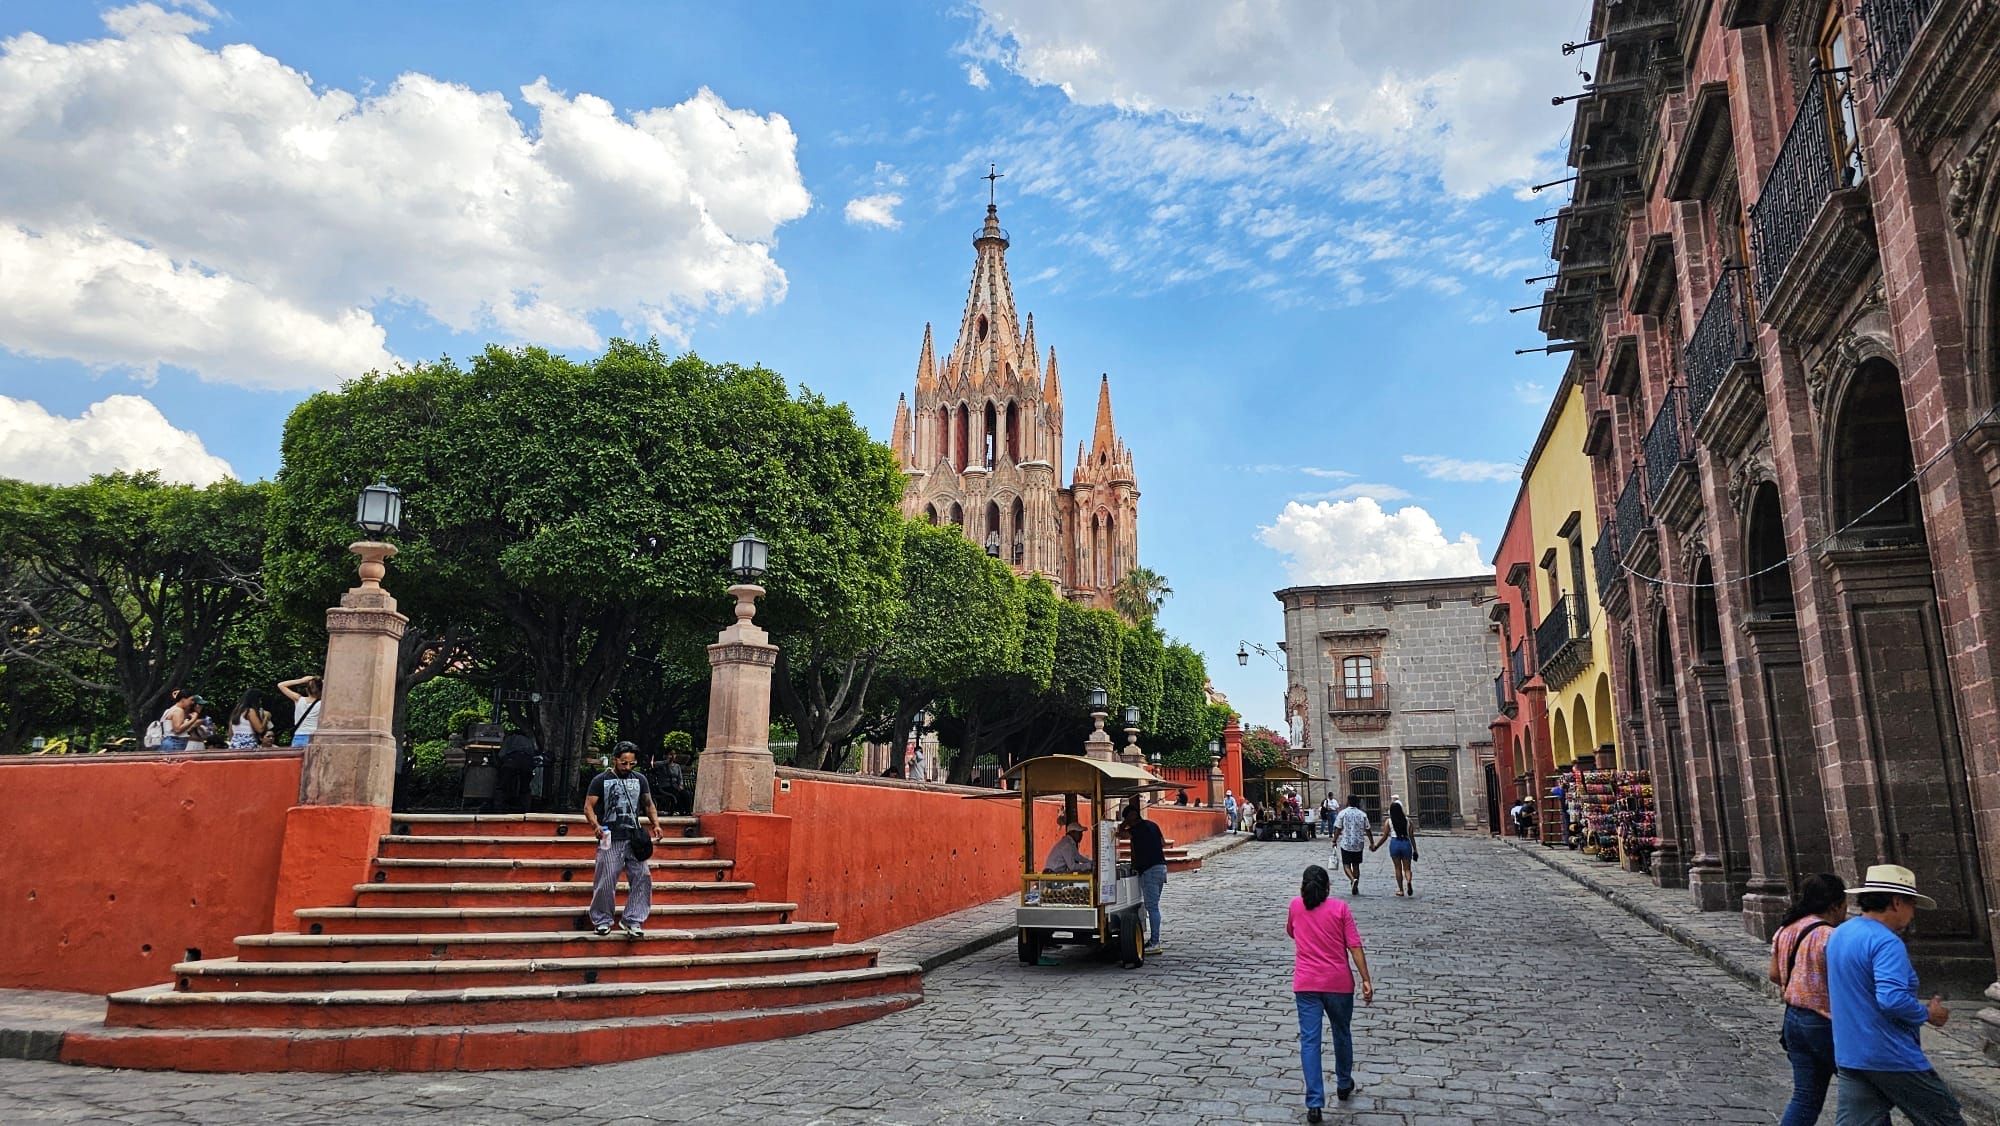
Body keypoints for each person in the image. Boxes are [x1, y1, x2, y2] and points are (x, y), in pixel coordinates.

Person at [1827, 864, 1963, 1126]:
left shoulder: (1842, 933)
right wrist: (1927, 1013)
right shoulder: (1886, 942)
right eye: (1912, 905)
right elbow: (1891, 999)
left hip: (1851, 1051)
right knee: (1945, 1119)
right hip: (1890, 1054)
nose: (1913, 915)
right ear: (1897, 902)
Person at [1288, 863, 1373, 1120]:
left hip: (1306, 984)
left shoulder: (1295, 906)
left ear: (1303, 887)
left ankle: (1314, 1102)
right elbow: (1354, 946)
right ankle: (1344, 1082)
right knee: (1341, 1032)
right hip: (1338, 983)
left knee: (1310, 1041)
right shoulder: (1340, 909)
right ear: (1328, 887)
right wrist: (1366, 979)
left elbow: (1292, 932)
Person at [1769, 873, 1847, 1126]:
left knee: (1805, 1098)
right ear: (1835, 904)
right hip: (1824, 1021)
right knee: (1864, 1093)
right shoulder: (1829, 936)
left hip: (1793, 1021)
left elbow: (1774, 974)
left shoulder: (1786, 929)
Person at [582, 743, 664, 938]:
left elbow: (648, 803)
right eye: (624, 763)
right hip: (610, 836)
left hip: (634, 838)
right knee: (605, 880)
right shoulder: (600, 780)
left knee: (643, 878)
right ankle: (602, 920)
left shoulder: (640, 779)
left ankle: (633, 920)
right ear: (615, 759)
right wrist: (596, 826)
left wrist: (657, 824)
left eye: (631, 763)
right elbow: (588, 807)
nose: (627, 767)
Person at [1122, 801, 1168, 955]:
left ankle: (1155, 942)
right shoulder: (1153, 825)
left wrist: (1125, 824)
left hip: (1149, 871)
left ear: (1130, 819)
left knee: (1152, 907)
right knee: (1153, 905)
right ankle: (1153, 940)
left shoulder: (1135, 830)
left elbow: (1119, 834)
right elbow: (1163, 843)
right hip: (1161, 868)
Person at [1370, 797, 1418, 897]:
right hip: (1406, 843)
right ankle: (1408, 881)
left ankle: (1401, 890)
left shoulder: (1389, 821)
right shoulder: (1408, 821)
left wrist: (1376, 846)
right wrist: (1415, 849)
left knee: (1397, 868)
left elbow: (1384, 836)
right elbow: (1411, 836)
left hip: (1395, 843)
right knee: (1407, 868)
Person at [1332, 795, 1371, 896]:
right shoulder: (1362, 814)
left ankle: (1353, 879)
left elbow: (1338, 828)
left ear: (1348, 801)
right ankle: (1355, 884)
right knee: (1356, 865)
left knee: (1346, 865)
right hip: (1358, 843)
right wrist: (1372, 842)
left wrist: (1334, 840)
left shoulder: (1343, 813)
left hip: (1346, 843)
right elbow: (1368, 829)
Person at [497, 728, 539, 813]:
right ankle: (526, 808)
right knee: (525, 787)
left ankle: (499, 807)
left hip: (512, 761)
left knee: (502, 785)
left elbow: (501, 754)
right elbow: (533, 753)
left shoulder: (510, 739)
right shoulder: (528, 740)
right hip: (527, 763)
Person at [278, 675, 322, 746]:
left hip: (299, 735)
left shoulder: (299, 699)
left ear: (307, 690)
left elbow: (281, 685)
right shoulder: (323, 703)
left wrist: (301, 680)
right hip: (314, 737)